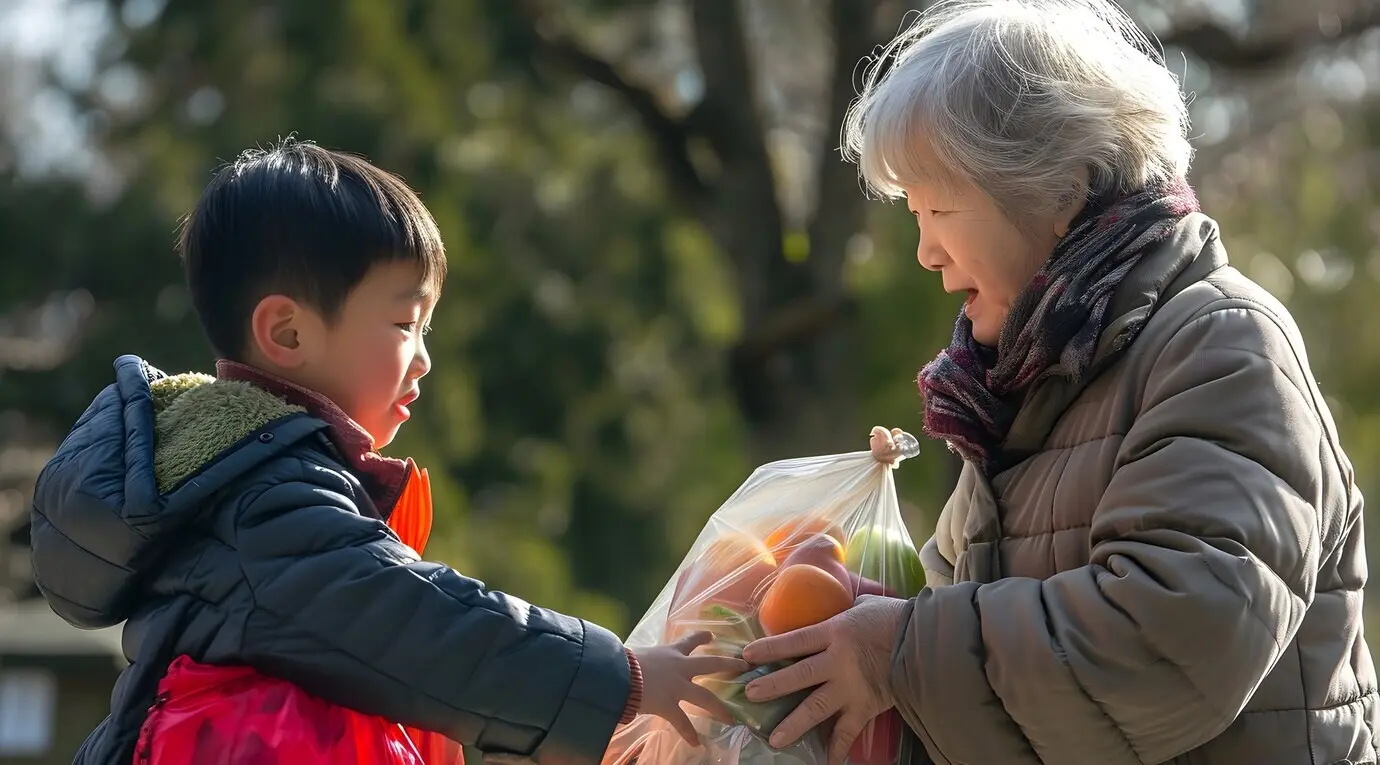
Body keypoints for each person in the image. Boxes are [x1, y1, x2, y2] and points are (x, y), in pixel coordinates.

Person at [738, 1, 1377, 764]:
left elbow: (1175, 645)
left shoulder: (1221, 344)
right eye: (913, 212)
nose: (925, 252)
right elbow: (988, 710)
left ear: (1061, 188)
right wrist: (836, 653)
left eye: (938, 206)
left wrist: (899, 653)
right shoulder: (1018, 394)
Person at [28, 139, 745, 765]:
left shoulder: (236, 483)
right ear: (288, 334)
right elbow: (423, 625)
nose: (425, 358)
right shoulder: (265, 504)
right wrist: (620, 678)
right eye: (406, 322)